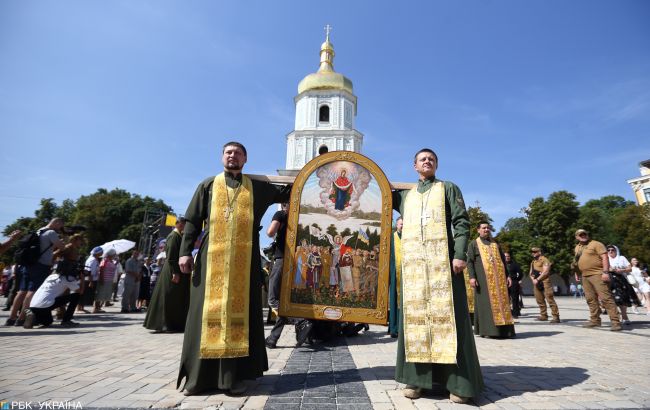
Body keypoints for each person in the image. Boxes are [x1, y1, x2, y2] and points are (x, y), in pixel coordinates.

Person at [176, 142, 291, 396]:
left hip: (245, 263)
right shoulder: (207, 185)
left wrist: (317, 174)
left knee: (240, 316)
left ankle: (233, 377)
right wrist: (185, 252)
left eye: (237, 153)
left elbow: (289, 193)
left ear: (245, 159)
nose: (232, 156)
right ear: (221, 157)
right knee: (202, 315)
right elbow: (193, 220)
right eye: (228, 152)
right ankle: (197, 378)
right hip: (209, 261)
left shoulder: (258, 187)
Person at [392, 148, 483, 404]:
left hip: (444, 265)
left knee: (451, 319)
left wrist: (459, 253)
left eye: (431, 159)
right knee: (416, 321)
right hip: (415, 271)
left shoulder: (448, 188)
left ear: (436, 165)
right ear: (414, 166)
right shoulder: (406, 196)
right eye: (422, 159)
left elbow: (461, 222)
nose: (427, 161)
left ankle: (458, 382)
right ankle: (417, 380)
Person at [6, 218, 65, 326]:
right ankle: (21, 318)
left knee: (22, 291)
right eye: (60, 226)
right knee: (32, 292)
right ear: (56, 223)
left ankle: (11, 318)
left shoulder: (39, 230)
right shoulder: (51, 232)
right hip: (41, 265)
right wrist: (61, 241)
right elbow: (62, 247)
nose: (60, 228)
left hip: (29, 264)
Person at [24, 233, 85, 328]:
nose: (82, 242)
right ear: (75, 239)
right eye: (80, 240)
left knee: (48, 321)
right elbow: (54, 254)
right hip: (66, 274)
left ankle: (35, 316)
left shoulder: (73, 249)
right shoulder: (68, 247)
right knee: (74, 296)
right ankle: (66, 319)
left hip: (61, 276)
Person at [467, 222, 515, 338]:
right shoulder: (474, 244)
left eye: (488, 228)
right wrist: (472, 277)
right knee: (486, 305)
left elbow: (503, 261)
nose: (486, 229)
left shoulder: (495, 244)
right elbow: (470, 262)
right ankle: (489, 331)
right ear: (478, 230)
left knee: (503, 304)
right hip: (483, 281)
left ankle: (505, 331)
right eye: (484, 228)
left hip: (500, 281)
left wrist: (507, 275)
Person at [144, 217, 188, 332]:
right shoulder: (174, 237)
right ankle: (164, 324)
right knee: (168, 297)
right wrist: (175, 272)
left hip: (173, 270)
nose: (185, 228)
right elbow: (172, 257)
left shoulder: (178, 236)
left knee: (171, 297)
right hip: (171, 271)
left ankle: (170, 323)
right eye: (184, 225)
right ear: (178, 224)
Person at [572, 229, 621, 331]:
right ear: (577, 237)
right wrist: (577, 273)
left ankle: (615, 322)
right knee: (590, 299)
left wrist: (606, 272)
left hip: (598, 274)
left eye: (585, 234)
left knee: (605, 298)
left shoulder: (596, 244)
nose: (583, 236)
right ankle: (595, 320)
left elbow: (605, 258)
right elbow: (576, 261)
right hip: (585, 276)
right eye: (581, 235)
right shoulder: (577, 247)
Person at [606, 245, 640, 325]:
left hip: (621, 280)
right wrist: (610, 269)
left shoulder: (621, 258)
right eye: (608, 250)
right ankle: (616, 317)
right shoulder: (605, 259)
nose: (610, 251)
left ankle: (624, 316)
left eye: (612, 250)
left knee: (623, 299)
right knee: (611, 300)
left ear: (616, 250)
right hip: (609, 280)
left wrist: (622, 270)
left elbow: (630, 268)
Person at [529, 247, 560, 323]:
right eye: (532, 252)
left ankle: (556, 317)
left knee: (550, 299)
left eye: (535, 252)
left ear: (539, 252)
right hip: (536, 282)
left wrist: (537, 279)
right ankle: (543, 315)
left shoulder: (545, 260)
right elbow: (530, 273)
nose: (533, 253)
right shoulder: (533, 262)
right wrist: (533, 279)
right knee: (539, 299)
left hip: (545, 282)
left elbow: (545, 272)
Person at [388, 217, 403, 338]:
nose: (402, 226)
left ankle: (402, 327)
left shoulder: (408, 237)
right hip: (394, 271)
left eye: (403, 224)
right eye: (400, 224)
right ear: (396, 225)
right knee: (393, 298)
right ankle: (393, 328)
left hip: (406, 273)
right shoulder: (391, 237)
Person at [78, 246, 103, 313]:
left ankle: (81, 308)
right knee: (84, 294)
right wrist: (91, 281)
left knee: (84, 293)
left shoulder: (93, 259)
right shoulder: (93, 260)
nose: (102, 253)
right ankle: (80, 308)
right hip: (89, 279)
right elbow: (90, 271)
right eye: (101, 252)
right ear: (98, 253)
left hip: (90, 279)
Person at [504, 252, 523, 318]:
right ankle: (507, 313)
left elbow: (520, 273)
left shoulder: (515, 264)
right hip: (504, 283)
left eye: (508, 256)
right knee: (505, 298)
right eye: (505, 256)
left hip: (514, 282)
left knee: (515, 298)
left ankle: (515, 313)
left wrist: (517, 280)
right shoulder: (501, 264)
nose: (507, 257)